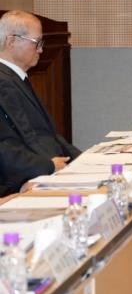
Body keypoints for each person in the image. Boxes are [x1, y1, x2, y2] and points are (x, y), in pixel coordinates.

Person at [0, 10, 81, 193]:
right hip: (24, 180)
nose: (41, 50)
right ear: (11, 41)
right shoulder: (3, 82)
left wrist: (83, 161)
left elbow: (47, 135)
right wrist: (49, 166)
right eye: (37, 42)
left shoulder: (15, 78)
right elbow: (8, 146)